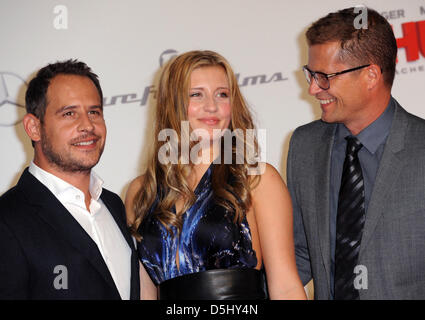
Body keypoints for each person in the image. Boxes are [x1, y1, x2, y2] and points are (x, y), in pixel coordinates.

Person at [125, 50, 306, 300]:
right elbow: (146, 293)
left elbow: (285, 287)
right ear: (172, 104)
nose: (212, 106)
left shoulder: (257, 179)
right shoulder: (141, 191)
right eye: (196, 95)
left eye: (222, 94)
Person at [288, 7, 425, 300]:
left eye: (325, 76)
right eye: (311, 74)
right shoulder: (304, 145)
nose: (313, 88)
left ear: (371, 75)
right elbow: (299, 253)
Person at [0, 60, 140, 299]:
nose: (87, 125)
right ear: (34, 127)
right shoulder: (7, 221)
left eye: (94, 112)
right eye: (69, 113)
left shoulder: (114, 205)